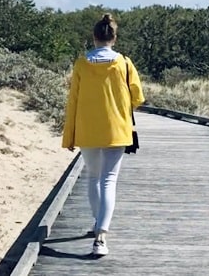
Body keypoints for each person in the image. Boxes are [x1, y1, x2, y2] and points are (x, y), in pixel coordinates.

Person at [62, 13, 145, 257]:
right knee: (109, 180)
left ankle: (97, 223)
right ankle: (101, 236)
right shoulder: (124, 63)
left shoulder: (80, 64)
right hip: (117, 130)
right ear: (114, 38)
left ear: (94, 36)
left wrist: (70, 135)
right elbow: (137, 96)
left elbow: (73, 101)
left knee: (93, 178)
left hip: (87, 129)